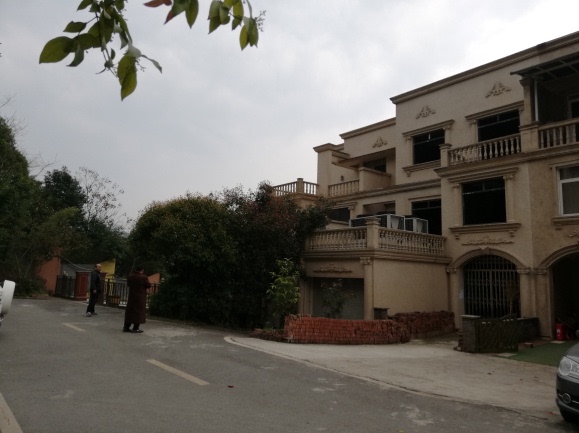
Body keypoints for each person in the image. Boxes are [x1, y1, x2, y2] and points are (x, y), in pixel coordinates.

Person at [123, 266, 151, 333]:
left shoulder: (130, 276)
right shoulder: (144, 277)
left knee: (130, 312)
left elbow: (128, 284)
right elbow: (148, 285)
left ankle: (126, 327)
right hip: (140, 298)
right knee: (138, 313)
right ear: (142, 270)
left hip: (132, 297)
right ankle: (135, 328)